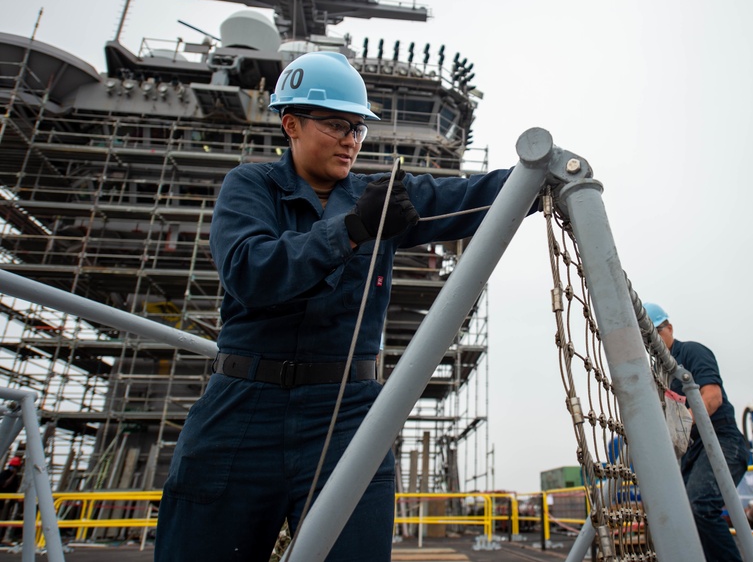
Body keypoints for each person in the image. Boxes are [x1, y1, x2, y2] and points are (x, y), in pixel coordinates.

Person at [155, 51, 521, 561]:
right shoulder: (250, 187)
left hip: (347, 412)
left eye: (358, 128)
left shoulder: (381, 195)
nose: (351, 139)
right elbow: (250, 272)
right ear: (291, 124)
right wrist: (351, 231)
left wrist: (541, 174)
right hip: (241, 410)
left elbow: (472, 196)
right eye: (336, 125)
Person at [643, 303, 750, 561]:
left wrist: (682, 426)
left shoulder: (692, 352)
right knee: (679, 514)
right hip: (691, 452)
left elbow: (712, 397)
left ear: (669, 328)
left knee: (699, 505)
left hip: (721, 442)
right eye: (646, 338)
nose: (652, 342)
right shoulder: (659, 375)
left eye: (655, 333)